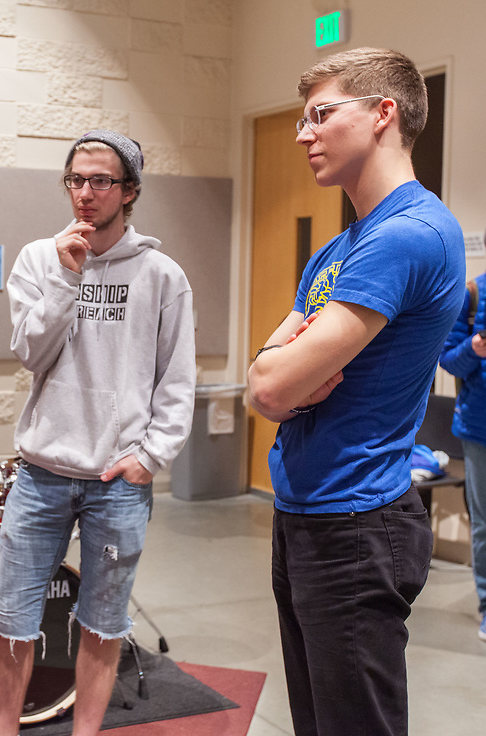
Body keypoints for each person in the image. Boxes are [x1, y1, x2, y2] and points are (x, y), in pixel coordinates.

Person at [247, 48, 464, 736]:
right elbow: (262, 382)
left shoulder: (408, 234)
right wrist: (282, 377)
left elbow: (278, 378)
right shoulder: (341, 248)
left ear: (382, 114)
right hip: (309, 515)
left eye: (321, 114)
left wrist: (287, 377)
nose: (303, 132)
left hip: (356, 523)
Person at [0, 130, 196, 736]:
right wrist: (65, 276)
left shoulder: (162, 275)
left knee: (104, 623)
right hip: (42, 474)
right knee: (12, 618)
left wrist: (150, 457)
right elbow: (30, 352)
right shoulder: (36, 259)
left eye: (101, 181)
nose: (85, 192)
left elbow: (176, 379)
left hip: (117, 482)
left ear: (129, 191)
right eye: (75, 179)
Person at [438, 264, 486, 643]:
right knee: (484, 523)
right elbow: (448, 359)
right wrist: (474, 347)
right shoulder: (472, 294)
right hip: (478, 430)